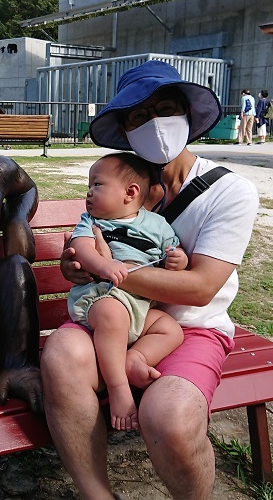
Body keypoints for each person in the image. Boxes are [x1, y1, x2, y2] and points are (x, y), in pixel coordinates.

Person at [41, 60, 258, 500]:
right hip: (110, 314)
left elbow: (199, 289)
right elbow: (90, 247)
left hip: (188, 327)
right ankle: (96, 494)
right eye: (138, 116)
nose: (154, 123)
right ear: (125, 128)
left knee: (171, 419)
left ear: (187, 115)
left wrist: (115, 272)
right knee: (61, 353)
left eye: (165, 108)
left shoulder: (230, 191)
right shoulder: (120, 184)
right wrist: (77, 268)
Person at [68, 152, 186, 431]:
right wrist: (104, 264)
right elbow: (83, 249)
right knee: (113, 315)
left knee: (171, 329)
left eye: (96, 184)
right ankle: (119, 388)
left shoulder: (157, 225)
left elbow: (173, 251)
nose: (88, 192)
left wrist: (179, 260)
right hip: (102, 296)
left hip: (141, 307)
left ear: (130, 192)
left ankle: (137, 358)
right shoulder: (91, 222)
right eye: (89, 185)